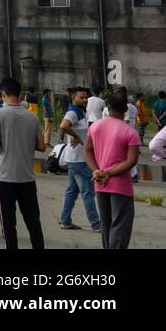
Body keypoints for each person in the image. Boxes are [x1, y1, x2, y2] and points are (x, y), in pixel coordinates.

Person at [0, 77, 46, 250]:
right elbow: (42, 147)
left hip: (6, 176)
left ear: (3, 94)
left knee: (8, 223)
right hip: (27, 176)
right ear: (20, 94)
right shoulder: (32, 117)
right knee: (33, 221)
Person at [86, 90, 140, 249]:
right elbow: (131, 161)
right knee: (120, 225)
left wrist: (96, 171)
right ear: (126, 109)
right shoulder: (130, 132)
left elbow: (87, 151)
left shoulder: (95, 126)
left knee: (106, 224)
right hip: (120, 186)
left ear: (108, 107)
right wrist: (108, 173)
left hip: (100, 184)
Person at [58, 86, 100, 232]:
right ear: (73, 98)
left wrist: (78, 135)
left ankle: (65, 220)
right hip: (79, 160)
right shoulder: (73, 112)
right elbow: (63, 125)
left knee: (72, 190)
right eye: (81, 97)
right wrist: (76, 136)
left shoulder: (81, 111)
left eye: (85, 97)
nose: (84, 99)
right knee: (88, 192)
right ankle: (96, 224)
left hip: (75, 158)